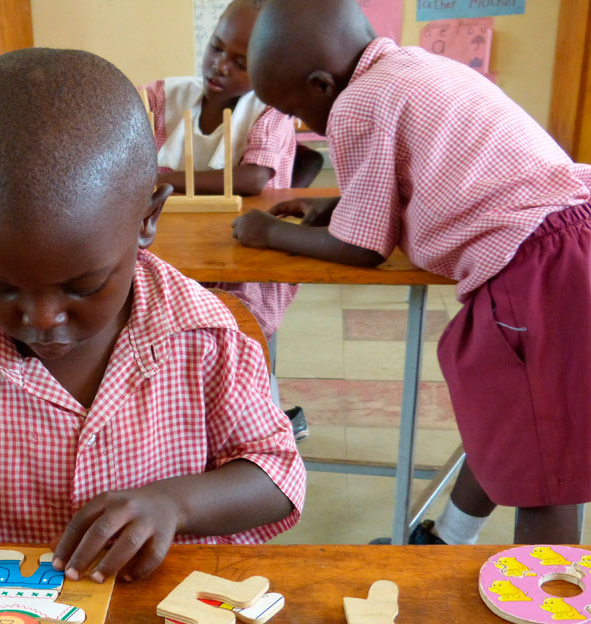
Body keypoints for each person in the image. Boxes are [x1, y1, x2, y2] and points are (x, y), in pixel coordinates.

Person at [0, 48, 305, 582]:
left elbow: (277, 475)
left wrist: (176, 504)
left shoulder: (203, 338)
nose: (42, 318)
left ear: (148, 219)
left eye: (82, 286)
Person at [234, 0, 591, 544]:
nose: (308, 128)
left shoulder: (358, 103)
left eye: (300, 115)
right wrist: (340, 200)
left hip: (540, 270)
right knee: (517, 415)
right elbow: (426, 173)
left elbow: (363, 249)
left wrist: (269, 233)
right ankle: (447, 538)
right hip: (573, 236)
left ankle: (546, 619)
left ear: (322, 85)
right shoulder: (418, 67)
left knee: (549, 478)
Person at [141, 0, 319, 440]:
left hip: (240, 259)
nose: (219, 67)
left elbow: (254, 176)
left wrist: (166, 177)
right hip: (172, 248)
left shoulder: (270, 110)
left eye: (240, 62)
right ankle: (182, 425)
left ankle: (261, 425)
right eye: (215, 49)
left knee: (237, 337)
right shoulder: (164, 96)